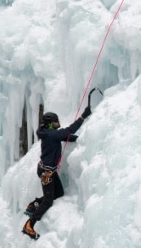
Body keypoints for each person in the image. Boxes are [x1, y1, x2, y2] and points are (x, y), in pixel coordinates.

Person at [22, 103, 92, 240]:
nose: (57, 123)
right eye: (55, 121)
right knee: (48, 201)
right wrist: (83, 116)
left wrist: (79, 139)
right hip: (46, 172)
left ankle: (34, 204)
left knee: (58, 193)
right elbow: (69, 131)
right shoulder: (51, 134)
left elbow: (64, 136)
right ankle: (29, 225)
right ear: (50, 124)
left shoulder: (49, 134)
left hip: (49, 171)